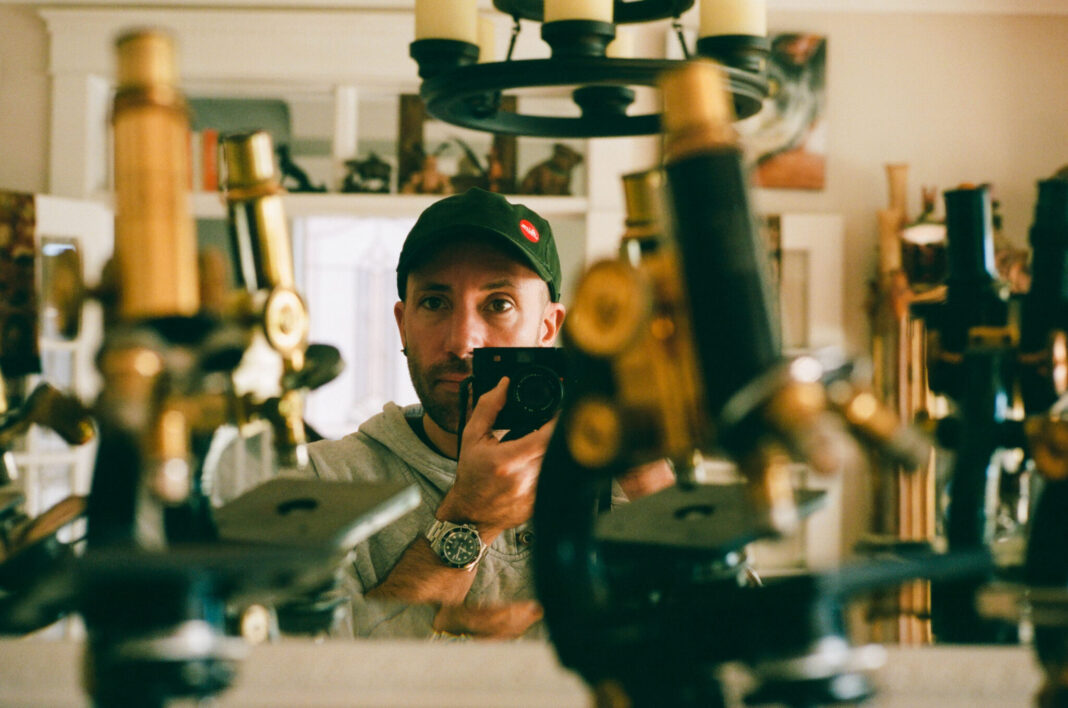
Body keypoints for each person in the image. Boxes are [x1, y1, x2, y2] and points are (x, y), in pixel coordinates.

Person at [306, 188, 671, 640]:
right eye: (435, 303)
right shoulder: (326, 482)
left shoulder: (615, 470)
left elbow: (730, 650)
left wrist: (661, 501)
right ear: (403, 324)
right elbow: (314, 676)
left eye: (499, 304)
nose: (462, 343)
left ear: (547, 328)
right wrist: (469, 519)